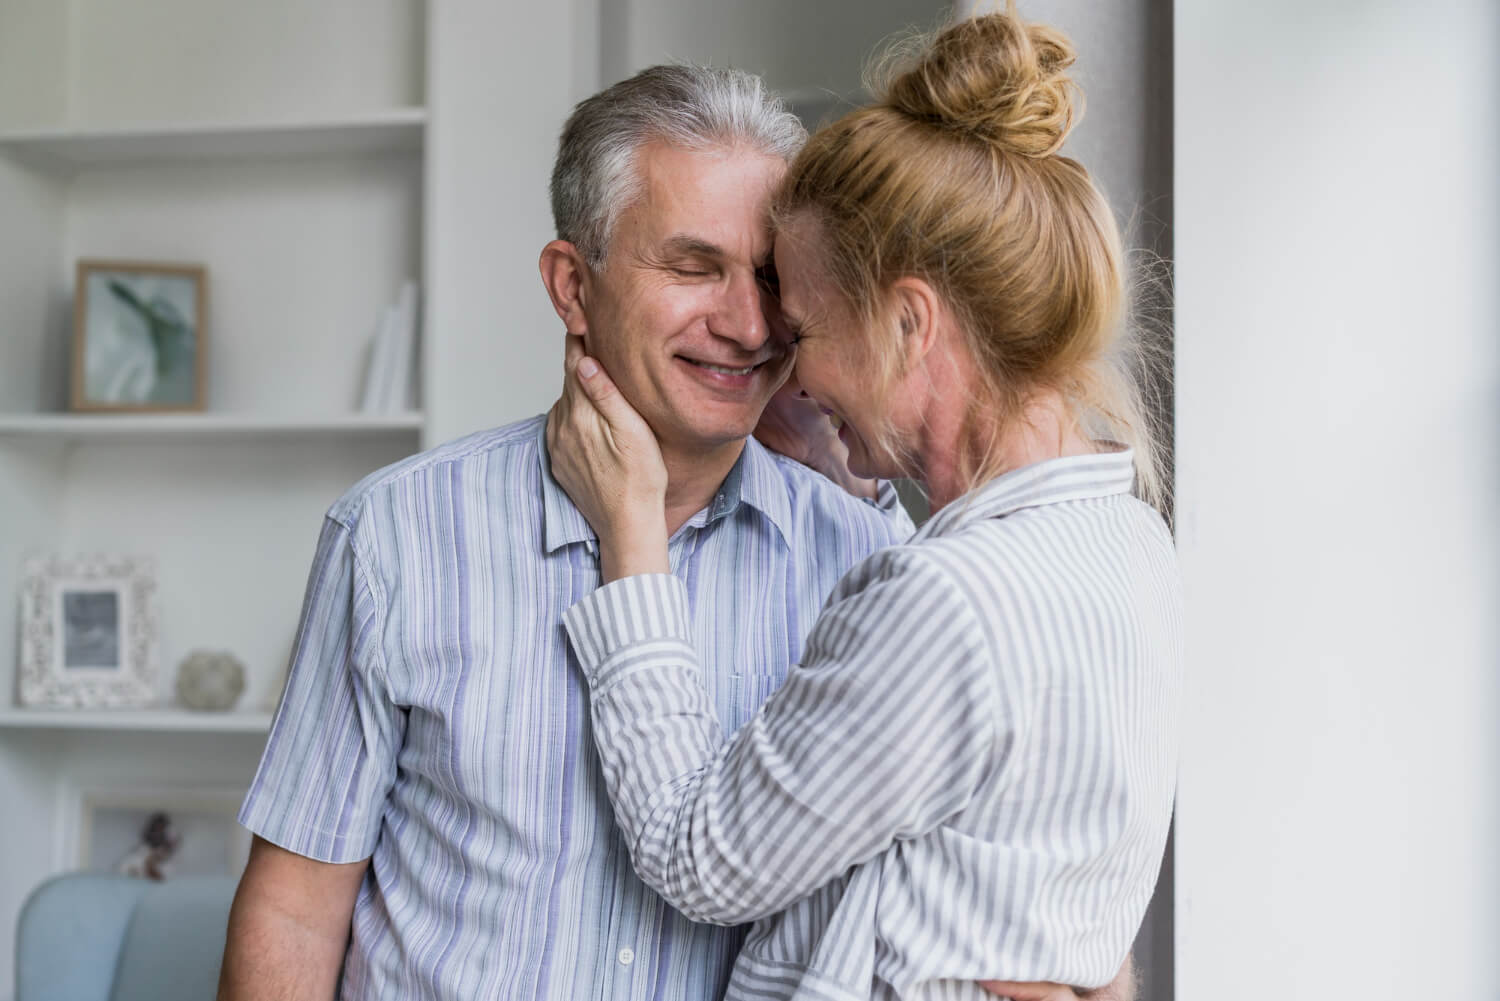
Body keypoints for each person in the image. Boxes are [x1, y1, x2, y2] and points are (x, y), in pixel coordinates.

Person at [216, 64, 920, 1001]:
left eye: (768, 276)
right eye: (692, 265)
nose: (748, 324)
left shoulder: (861, 566)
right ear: (571, 287)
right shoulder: (395, 534)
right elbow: (296, 907)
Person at [546, 9, 1181, 1001]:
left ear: (908, 320)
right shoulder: (1131, 539)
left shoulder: (946, 598)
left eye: (802, 324)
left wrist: (632, 534)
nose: (782, 359)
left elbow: (696, 854)